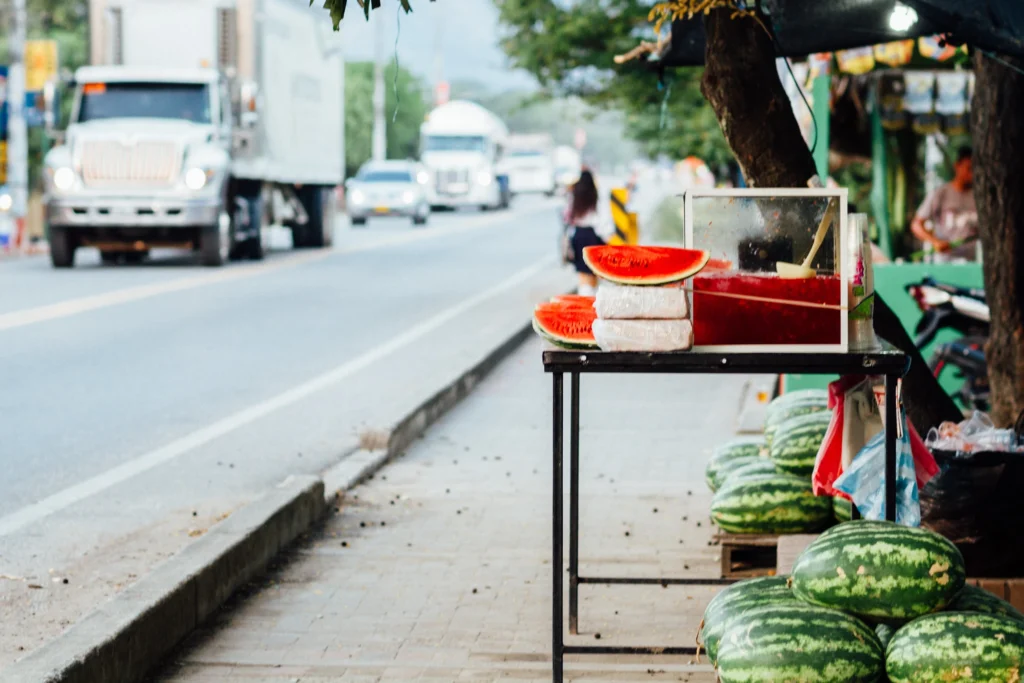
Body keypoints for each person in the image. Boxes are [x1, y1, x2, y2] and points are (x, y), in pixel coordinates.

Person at [911, 146, 978, 261]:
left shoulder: (978, 197)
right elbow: (916, 225)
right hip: (945, 261)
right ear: (957, 166)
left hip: (972, 260)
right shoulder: (940, 193)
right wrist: (935, 242)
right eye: (969, 169)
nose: (972, 174)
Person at [567, 170, 614, 296]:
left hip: (578, 235)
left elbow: (569, 218)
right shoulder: (595, 196)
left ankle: (584, 297)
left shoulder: (574, 196)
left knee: (582, 273)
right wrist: (607, 237)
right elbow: (602, 219)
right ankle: (591, 299)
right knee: (594, 272)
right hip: (592, 236)